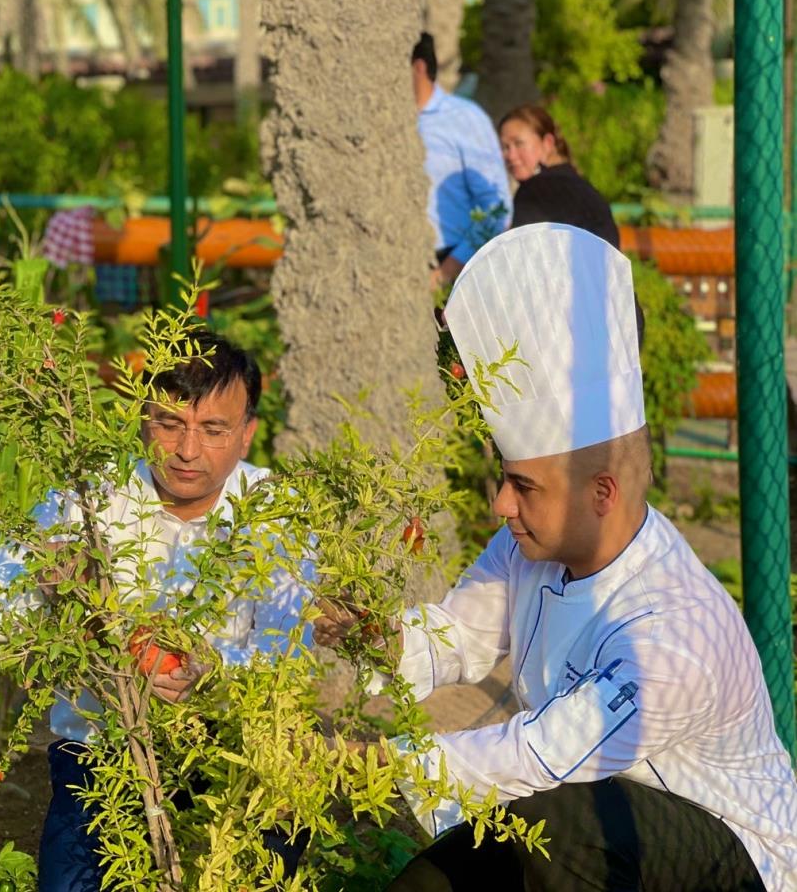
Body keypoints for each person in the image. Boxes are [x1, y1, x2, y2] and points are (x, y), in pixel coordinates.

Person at [317, 224, 797, 891]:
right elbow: (460, 635)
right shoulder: (531, 547)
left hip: (736, 860)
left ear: (601, 491)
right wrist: (367, 635)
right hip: (597, 826)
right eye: (505, 479)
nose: (501, 506)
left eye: (524, 486)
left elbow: (546, 756)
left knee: (556, 824)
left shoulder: (677, 631)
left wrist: (363, 767)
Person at [0, 331, 313, 891]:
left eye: (213, 429)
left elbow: (292, 650)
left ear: (246, 435)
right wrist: (51, 593)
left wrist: (213, 673)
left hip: (228, 754)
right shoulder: (87, 498)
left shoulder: (275, 513)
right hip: (99, 755)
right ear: (142, 422)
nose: (188, 450)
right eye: (170, 424)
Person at [412, 32, 512, 290]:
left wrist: (444, 273)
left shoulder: (464, 118)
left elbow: (496, 207)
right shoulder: (383, 121)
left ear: (419, 67)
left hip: (450, 268)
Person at [498, 104, 620, 249]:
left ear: (548, 143)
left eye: (519, 143)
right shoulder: (585, 189)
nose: (510, 156)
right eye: (505, 147)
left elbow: (524, 257)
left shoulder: (535, 190)